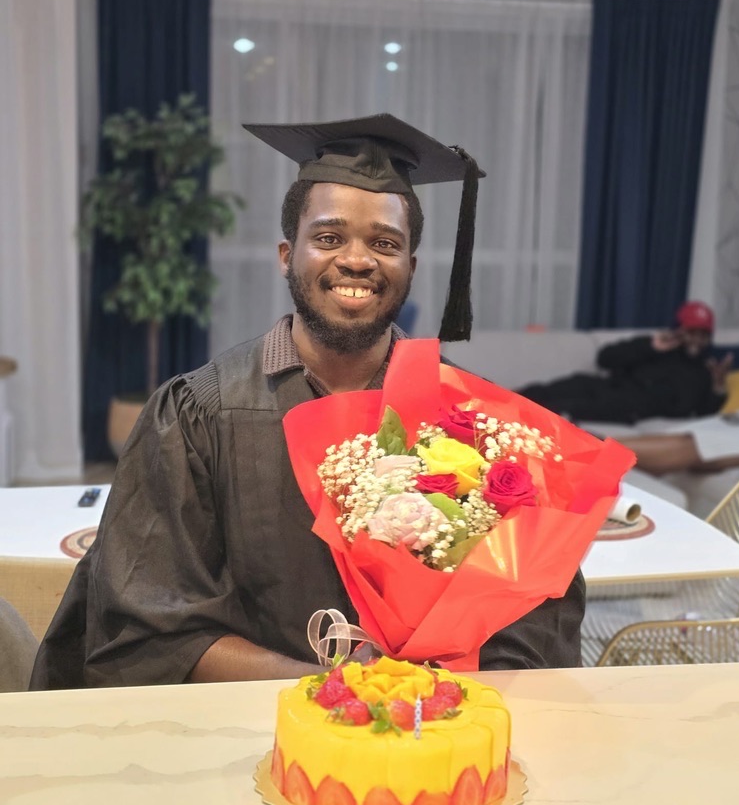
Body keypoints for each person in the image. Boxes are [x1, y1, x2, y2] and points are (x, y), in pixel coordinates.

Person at [30, 113, 585, 690]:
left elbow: (533, 625)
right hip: (242, 737)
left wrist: (431, 700)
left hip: (430, 736)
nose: (357, 259)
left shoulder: (475, 421)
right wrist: (337, 692)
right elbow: (148, 628)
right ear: (285, 256)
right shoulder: (199, 415)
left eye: (385, 243)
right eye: (328, 237)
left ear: (411, 269)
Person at [517, 301, 732, 425]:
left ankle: (518, 422)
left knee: (559, 409)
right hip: (606, 386)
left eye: (703, 334)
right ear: (679, 329)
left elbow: (703, 414)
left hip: (630, 407)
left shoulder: (704, 371)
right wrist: (651, 347)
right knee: (551, 388)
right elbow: (604, 358)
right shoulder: (657, 344)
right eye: (691, 332)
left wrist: (718, 387)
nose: (696, 339)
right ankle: (496, 400)